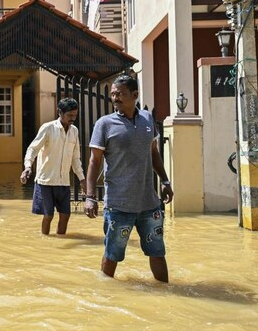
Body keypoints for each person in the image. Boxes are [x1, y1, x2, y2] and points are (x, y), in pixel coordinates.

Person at [84, 75, 174, 282]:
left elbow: (153, 153)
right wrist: (89, 196)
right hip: (119, 205)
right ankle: (106, 294)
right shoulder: (104, 124)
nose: (115, 98)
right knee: (112, 255)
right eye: (113, 94)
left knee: (157, 252)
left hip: (149, 205)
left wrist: (166, 181)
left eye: (120, 94)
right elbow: (94, 162)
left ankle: (166, 294)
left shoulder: (147, 120)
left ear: (134, 95)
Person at [21, 97, 86, 235]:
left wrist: (82, 179)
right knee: (48, 215)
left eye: (75, 115)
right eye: (69, 115)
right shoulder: (48, 128)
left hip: (63, 182)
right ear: (60, 113)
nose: (73, 118)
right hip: (46, 181)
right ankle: (45, 241)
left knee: (65, 215)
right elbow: (33, 149)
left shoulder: (74, 131)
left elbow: (75, 158)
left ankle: (60, 239)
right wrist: (27, 167)